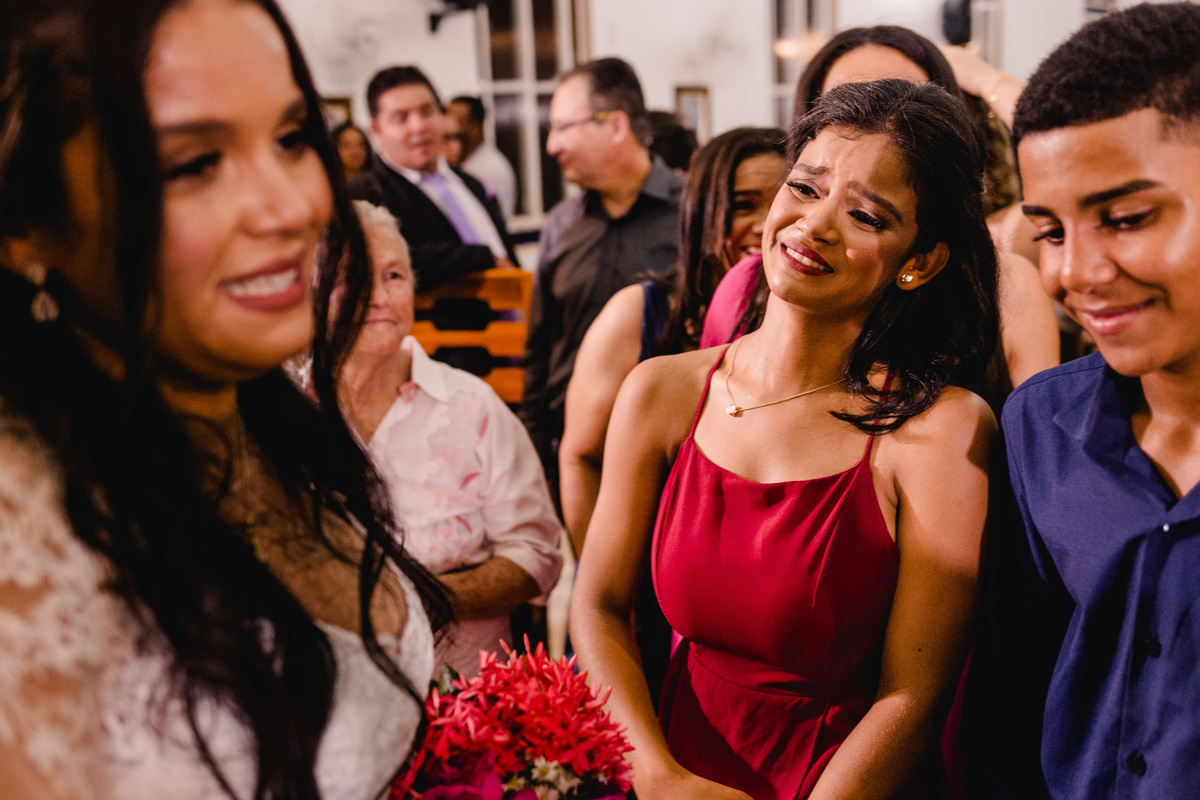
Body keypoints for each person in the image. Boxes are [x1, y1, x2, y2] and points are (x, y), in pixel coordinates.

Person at [0, 0, 450, 799]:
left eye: (292, 138)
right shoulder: (23, 537)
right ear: (26, 221)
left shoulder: (273, 422)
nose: (293, 208)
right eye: (194, 165)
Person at [571, 79, 997, 800]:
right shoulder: (662, 392)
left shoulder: (939, 430)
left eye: (865, 215)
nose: (814, 225)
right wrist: (657, 774)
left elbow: (914, 696)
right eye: (804, 188)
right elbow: (599, 606)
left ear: (920, 260)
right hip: (671, 765)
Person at [965, 4, 1200, 798]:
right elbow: (1008, 702)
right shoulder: (1041, 427)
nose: (1075, 274)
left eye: (1126, 219)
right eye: (1051, 232)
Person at [702, 25, 1058, 405]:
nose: (879, 117)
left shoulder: (1007, 287)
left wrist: (988, 80)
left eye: (907, 98)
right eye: (848, 98)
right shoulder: (749, 283)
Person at [334, 201, 562, 678]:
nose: (379, 296)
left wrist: (423, 599)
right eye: (354, 277)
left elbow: (537, 553)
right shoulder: (284, 413)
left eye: (394, 276)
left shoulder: (472, 406)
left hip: (464, 697)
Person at [560, 126, 786, 556]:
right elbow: (581, 457)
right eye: (743, 206)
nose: (765, 226)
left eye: (782, 203)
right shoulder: (635, 316)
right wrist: (606, 582)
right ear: (702, 213)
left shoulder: (814, 328)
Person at [519, 57, 684, 498]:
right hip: (573, 456)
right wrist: (535, 448)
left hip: (669, 456)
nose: (551, 146)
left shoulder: (691, 214)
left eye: (562, 127)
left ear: (615, 126)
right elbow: (540, 346)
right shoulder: (561, 224)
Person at [349, 66, 518, 291]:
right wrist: (483, 257)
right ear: (375, 130)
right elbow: (396, 257)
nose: (418, 127)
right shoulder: (363, 195)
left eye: (427, 111)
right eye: (401, 118)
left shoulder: (471, 183)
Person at [448, 95, 518, 220]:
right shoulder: (464, 162)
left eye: (457, 122)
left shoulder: (490, 168)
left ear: (476, 128)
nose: (451, 127)